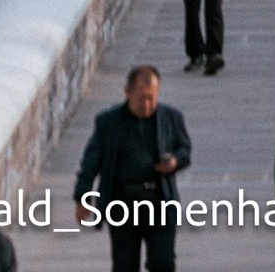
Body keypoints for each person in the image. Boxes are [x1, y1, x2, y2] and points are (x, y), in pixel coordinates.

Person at [74, 65, 189, 272]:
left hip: (158, 200)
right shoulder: (108, 122)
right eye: (141, 98)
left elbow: (184, 150)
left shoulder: (171, 118)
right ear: (128, 92)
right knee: (124, 266)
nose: (147, 104)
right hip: (122, 203)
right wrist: (83, 196)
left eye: (151, 98)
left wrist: (174, 162)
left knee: (163, 263)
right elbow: (91, 162)